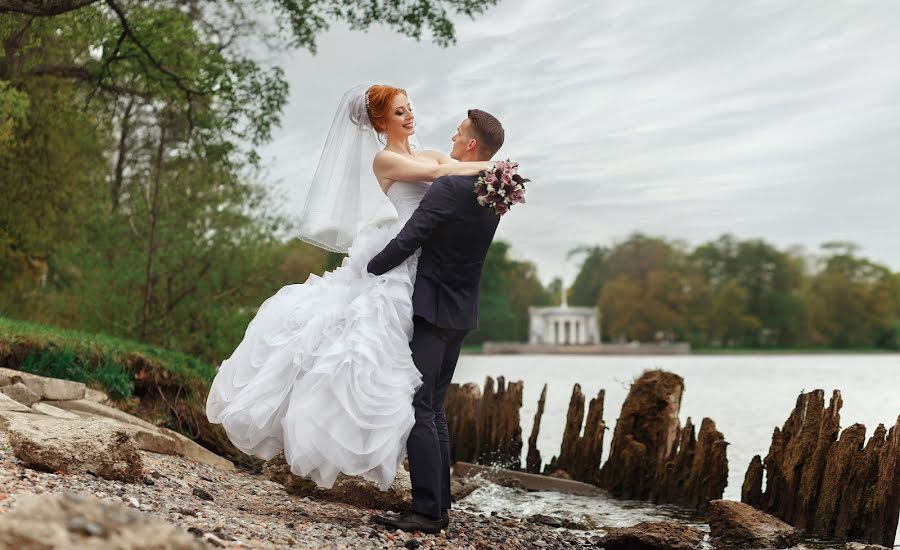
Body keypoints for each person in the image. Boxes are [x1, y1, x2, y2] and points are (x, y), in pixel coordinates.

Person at [205, 84, 489, 515]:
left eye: (410, 108)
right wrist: (499, 167)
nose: (409, 116)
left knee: (426, 396)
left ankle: (435, 502)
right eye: (399, 112)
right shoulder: (386, 159)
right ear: (380, 122)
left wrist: (493, 171)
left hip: (424, 269)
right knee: (380, 365)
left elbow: (453, 168)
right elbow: (441, 176)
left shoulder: (431, 152)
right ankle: (418, 492)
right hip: (397, 260)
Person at [368, 108, 506, 534]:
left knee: (419, 407)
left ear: (469, 145)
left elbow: (413, 237)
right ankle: (440, 505)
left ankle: (427, 512)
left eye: (459, 132)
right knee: (436, 409)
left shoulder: (450, 187)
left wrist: (370, 268)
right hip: (462, 310)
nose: (452, 135)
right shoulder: (491, 191)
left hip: (433, 306)